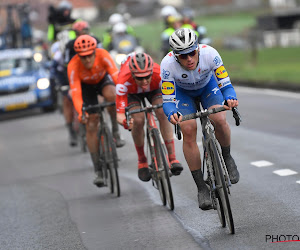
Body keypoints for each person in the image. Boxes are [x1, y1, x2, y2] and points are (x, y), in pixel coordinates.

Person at [160, 28, 239, 210]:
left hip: (207, 87)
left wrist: (230, 97)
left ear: (197, 49)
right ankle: (201, 187)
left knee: (218, 119)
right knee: (188, 129)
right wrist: (172, 113)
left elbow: (225, 84)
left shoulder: (210, 54)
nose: (189, 59)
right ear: (175, 56)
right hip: (183, 93)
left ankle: (227, 157)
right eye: (183, 56)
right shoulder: (167, 65)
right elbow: (168, 100)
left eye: (192, 53)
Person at [67, 35, 125, 187]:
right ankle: (98, 170)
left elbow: (116, 78)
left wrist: (124, 99)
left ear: (95, 51)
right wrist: (81, 112)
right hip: (86, 89)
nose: (87, 60)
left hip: (102, 81)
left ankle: (115, 131)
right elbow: (76, 93)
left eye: (89, 56)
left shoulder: (103, 55)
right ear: (78, 56)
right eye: (83, 57)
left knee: (112, 96)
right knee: (91, 123)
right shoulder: (73, 66)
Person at [115, 52, 183, 182]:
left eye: (147, 76)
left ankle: (172, 157)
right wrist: (125, 122)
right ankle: (142, 161)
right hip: (132, 94)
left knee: (163, 112)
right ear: (132, 75)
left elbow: (172, 97)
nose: (144, 81)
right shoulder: (123, 80)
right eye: (140, 78)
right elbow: (119, 114)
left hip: (154, 90)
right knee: (138, 120)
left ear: (152, 72)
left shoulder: (159, 73)